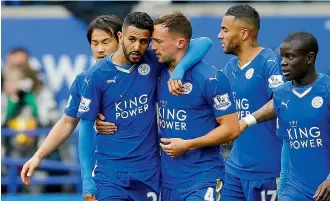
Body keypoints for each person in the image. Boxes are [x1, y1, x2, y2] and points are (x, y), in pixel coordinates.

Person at [77, 11, 212, 201]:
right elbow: (84, 127)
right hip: (110, 175)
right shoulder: (96, 75)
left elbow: (205, 42)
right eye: (132, 39)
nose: (137, 47)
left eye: (144, 41)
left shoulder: (152, 61)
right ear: (120, 36)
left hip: (148, 173)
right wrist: (86, 180)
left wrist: (179, 71)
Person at [240, 31, 330, 201]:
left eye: (290, 57)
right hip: (296, 192)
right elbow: (288, 143)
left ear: (309, 58)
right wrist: (282, 191)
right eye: (282, 57)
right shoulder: (281, 95)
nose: (283, 63)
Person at [20, 14, 123, 197]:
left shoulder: (144, 70)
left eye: (106, 42)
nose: (100, 49)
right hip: (107, 173)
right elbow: (67, 122)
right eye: (94, 43)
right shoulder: (84, 80)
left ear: (120, 40)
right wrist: (38, 156)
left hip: (146, 171)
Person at [152, 12, 239, 201]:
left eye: (158, 41)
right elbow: (203, 42)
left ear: (181, 43)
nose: (153, 47)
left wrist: (189, 145)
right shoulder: (158, 71)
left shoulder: (211, 78)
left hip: (203, 178)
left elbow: (232, 129)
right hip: (168, 182)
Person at [217, 4, 284, 201]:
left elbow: (279, 102)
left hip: (269, 171)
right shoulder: (230, 67)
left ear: (244, 34)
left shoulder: (270, 62)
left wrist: (246, 121)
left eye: (225, 30)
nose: (220, 35)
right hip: (234, 171)